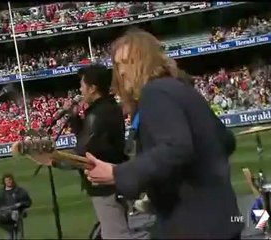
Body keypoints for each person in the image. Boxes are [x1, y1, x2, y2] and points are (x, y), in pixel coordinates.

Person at [84, 28, 244, 239]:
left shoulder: (155, 92)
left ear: (147, 61)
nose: (121, 72)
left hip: (192, 226)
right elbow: (225, 140)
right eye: (118, 65)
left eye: (128, 62)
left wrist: (117, 174)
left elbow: (176, 148)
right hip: (221, 221)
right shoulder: (181, 88)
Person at [69, 64, 132, 239]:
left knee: (116, 234)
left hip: (105, 185)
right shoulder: (108, 108)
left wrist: (53, 160)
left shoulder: (99, 114)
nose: (81, 90)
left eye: (82, 86)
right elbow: (92, 141)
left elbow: (85, 150)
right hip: (112, 181)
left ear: (92, 88)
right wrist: (75, 120)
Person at [0, 173, 32, 240]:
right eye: (7, 180)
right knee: (9, 234)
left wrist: (20, 204)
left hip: (18, 215)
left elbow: (28, 202)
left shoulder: (19, 191)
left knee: (19, 234)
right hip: (5, 217)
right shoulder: (1, 192)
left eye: (10, 180)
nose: (9, 182)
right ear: (4, 182)